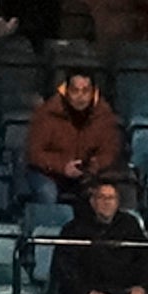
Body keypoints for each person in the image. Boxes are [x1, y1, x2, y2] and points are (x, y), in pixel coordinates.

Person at [20, 68, 124, 215]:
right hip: (48, 173)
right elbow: (34, 153)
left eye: (85, 91)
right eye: (75, 91)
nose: (80, 97)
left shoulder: (104, 116)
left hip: (88, 174)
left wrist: (94, 165)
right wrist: (63, 167)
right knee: (47, 192)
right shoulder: (47, 114)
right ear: (66, 91)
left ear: (94, 92)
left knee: (106, 194)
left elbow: (109, 150)